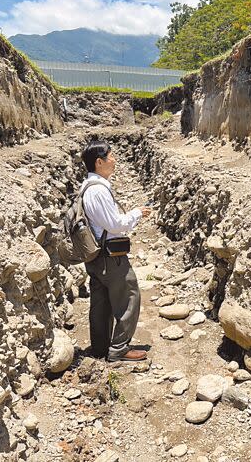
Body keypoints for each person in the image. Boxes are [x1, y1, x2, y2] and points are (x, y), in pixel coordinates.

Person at [80, 140, 152, 362]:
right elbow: (114, 224)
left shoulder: (87, 187)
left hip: (95, 256)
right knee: (130, 296)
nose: (115, 160)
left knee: (101, 303)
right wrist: (136, 213)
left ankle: (100, 348)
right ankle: (119, 348)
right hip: (111, 258)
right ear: (99, 162)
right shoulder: (99, 191)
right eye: (111, 156)